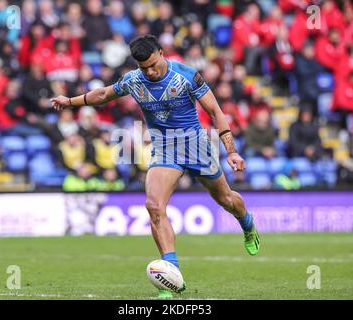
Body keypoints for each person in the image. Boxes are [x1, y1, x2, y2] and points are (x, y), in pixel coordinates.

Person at [50, 34, 260, 298]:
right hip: (164, 149)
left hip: (196, 146)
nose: (149, 71)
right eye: (143, 67)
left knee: (227, 199)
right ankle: (171, 275)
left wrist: (231, 150)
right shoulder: (134, 80)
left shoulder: (186, 76)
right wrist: (69, 101)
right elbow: (104, 94)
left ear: (162, 53)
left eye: (152, 64)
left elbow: (216, 112)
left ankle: (248, 224)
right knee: (154, 206)